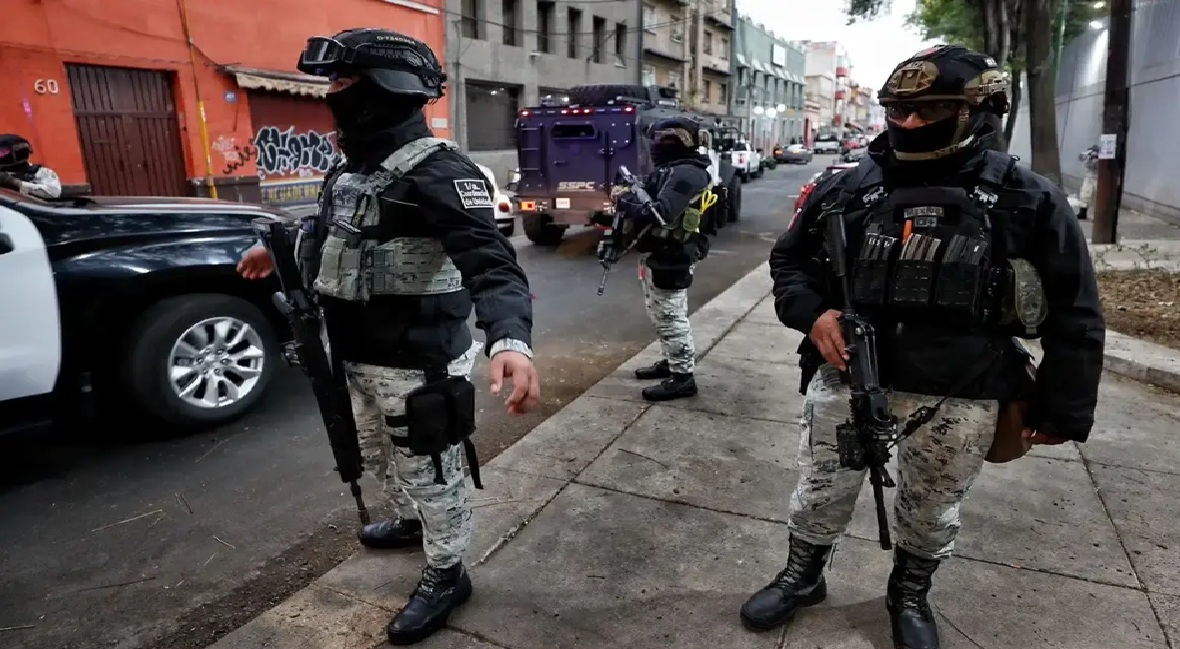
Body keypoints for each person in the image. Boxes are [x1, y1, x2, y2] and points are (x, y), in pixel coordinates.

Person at [741, 44, 1105, 649]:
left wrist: (1063, 407)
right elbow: (790, 262)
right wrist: (812, 316)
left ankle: (908, 593)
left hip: (963, 386)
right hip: (851, 373)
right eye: (897, 110)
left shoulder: (1028, 198)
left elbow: (1077, 311)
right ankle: (803, 576)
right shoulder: (847, 186)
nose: (908, 123)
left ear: (979, 111)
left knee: (933, 506)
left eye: (930, 109)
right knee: (820, 490)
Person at [236, 28, 540, 646]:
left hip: (420, 363)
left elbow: (493, 264)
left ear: (388, 88)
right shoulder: (353, 168)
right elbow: (340, 229)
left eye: (344, 81)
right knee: (378, 455)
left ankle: (447, 572)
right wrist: (283, 248)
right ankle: (408, 522)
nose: (332, 94)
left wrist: (510, 339)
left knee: (432, 470)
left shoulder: (441, 172)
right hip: (354, 354)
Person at [618, 116, 714, 401]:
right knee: (660, 313)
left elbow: (660, 213)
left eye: (661, 140)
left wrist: (623, 200)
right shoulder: (671, 169)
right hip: (660, 251)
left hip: (674, 253)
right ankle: (671, 361)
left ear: (676, 141)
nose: (656, 146)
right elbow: (649, 194)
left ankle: (683, 377)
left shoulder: (686, 174)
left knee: (671, 315)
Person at [0, 134, 62, 199]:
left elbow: (54, 192)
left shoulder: (41, 172)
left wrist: (16, 183)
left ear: (19, 153)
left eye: (2, 152)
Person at [1076, 144, 1100, 220]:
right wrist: (1089, 157)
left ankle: (1097, 215)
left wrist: (1096, 158)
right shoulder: (1088, 156)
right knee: (1084, 195)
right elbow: (1081, 158)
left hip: (1098, 178)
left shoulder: (1101, 158)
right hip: (1089, 178)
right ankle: (1082, 213)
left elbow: (1097, 166)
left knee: (1097, 197)